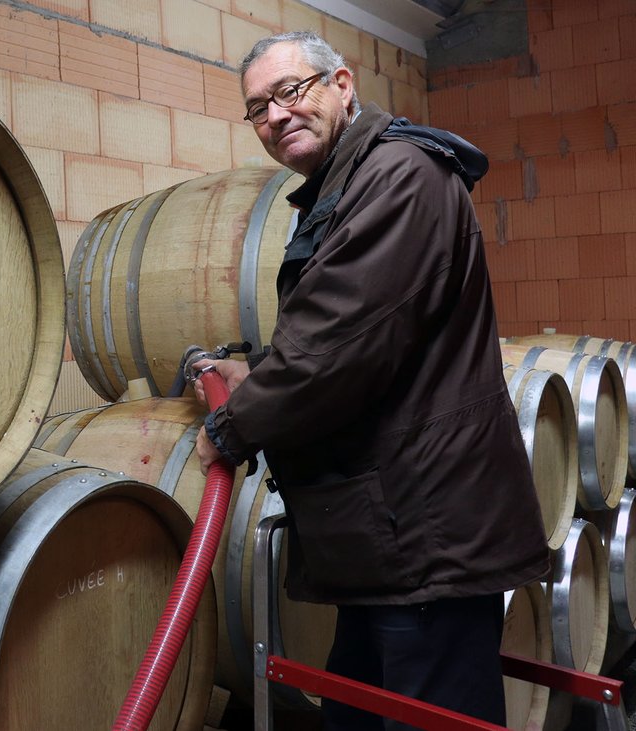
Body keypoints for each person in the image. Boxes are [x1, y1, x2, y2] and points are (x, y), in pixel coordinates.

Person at [191, 30, 550, 730]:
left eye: (291, 91)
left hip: (425, 536)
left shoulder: (401, 178)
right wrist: (256, 371)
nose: (276, 115)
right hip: (387, 543)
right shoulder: (349, 185)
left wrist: (227, 431)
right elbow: (364, 337)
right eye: (258, 107)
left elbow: (336, 346)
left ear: (343, 85)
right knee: (357, 713)